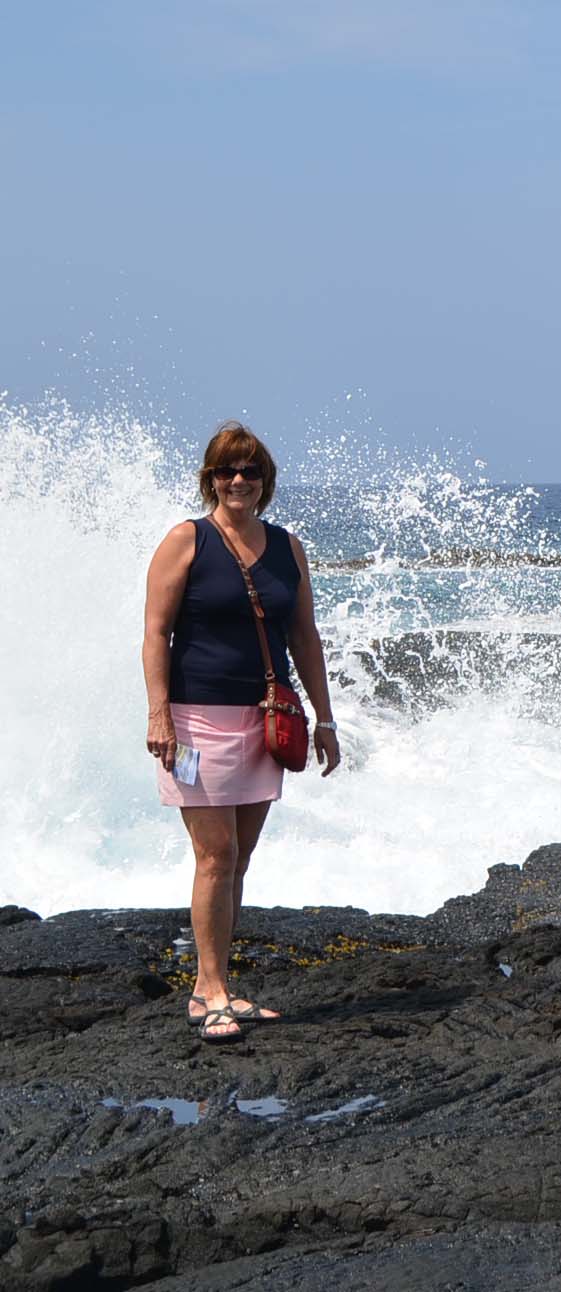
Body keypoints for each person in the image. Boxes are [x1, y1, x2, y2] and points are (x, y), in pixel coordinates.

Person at [142, 422, 341, 1043]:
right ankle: (209, 990)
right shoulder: (187, 540)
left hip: (266, 720)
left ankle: (215, 983)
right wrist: (159, 712)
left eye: (250, 472)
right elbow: (155, 632)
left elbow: (303, 636)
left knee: (241, 858)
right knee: (215, 855)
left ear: (265, 482)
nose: (238, 481)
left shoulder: (287, 547)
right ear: (210, 479)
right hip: (197, 721)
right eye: (227, 471)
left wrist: (325, 717)